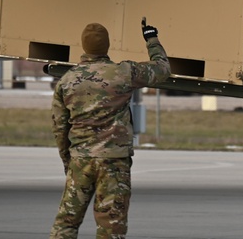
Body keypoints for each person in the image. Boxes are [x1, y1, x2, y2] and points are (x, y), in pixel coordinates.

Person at [50, 19, 171, 239]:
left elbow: (59, 128)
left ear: (84, 46)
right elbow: (163, 69)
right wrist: (151, 38)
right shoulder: (124, 72)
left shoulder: (67, 81)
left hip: (81, 160)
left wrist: (68, 161)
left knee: (66, 223)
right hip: (114, 162)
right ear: (106, 45)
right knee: (111, 227)